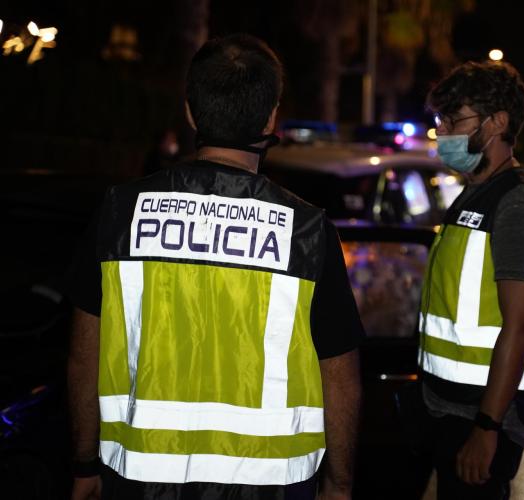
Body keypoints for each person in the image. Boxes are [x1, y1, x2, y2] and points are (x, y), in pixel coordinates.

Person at [66, 34, 363, 500]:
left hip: (141, 478)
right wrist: (339, 484)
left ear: (190, 111)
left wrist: (85, 464)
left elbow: (85, 352)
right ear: (270, 118)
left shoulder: (120, 212)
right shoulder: (306, 230)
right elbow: (339, 373)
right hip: (269, 484)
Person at [417, 60, 524, 499]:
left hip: (481, 414)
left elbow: (520, 324)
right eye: (440, 121)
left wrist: (487, 427)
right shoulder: (475, 193)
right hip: (451, 407)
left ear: (496, 123)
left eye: (454, 120)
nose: (442, 132)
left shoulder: (516, 205)